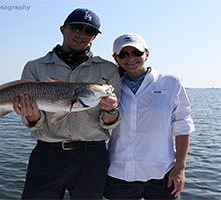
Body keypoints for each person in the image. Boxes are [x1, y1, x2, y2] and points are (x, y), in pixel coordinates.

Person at [13, 8, 121, 199]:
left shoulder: (108, 69)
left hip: (92, 155)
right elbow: (32, 123)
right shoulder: (35, 67)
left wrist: (111, 110)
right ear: (63, 29)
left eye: (90, 31)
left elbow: (110, 122)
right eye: (77, 28)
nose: (82, 34)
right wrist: (31, 115)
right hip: (47, 153)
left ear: (94, 37)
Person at [104, 33, 195, 199]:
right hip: (120, 173)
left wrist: (180, 168)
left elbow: (182, 126)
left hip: (163, 174)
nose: (130, 58)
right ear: (116, 58)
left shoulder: (171, 83)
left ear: (147, 54)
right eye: (124, 54)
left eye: (136, 53)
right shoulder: (110, 88)